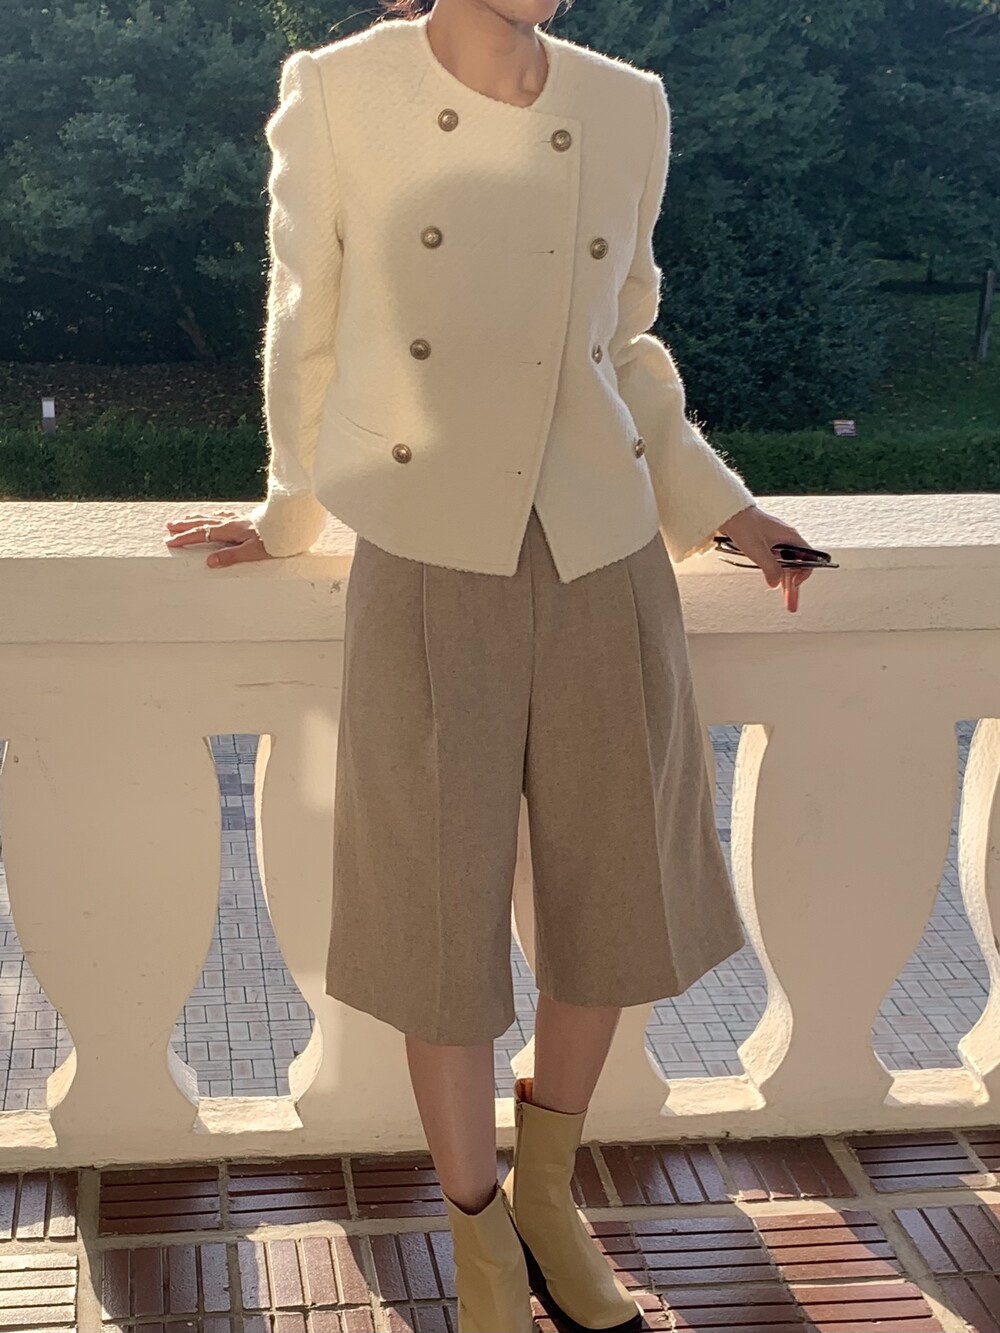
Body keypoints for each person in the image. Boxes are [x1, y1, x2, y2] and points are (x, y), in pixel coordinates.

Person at [165, 0, 814, 1327]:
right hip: (423, 546)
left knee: (615, 896)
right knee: (435, 917)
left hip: (603, 547)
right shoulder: (339, 90)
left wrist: (725, 508)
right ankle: (477, 1241)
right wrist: (290, 511)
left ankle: (548, 1201)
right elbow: (309, 321)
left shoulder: (626, 103)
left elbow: (624, 347)